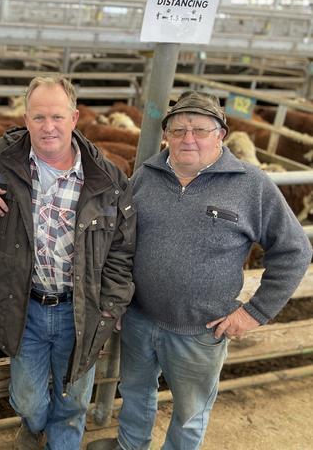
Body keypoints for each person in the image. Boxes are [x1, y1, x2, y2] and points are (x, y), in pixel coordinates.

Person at [111, 90, 312, 450]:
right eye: (179, 129)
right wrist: (118, 297)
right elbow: (121, 241)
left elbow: (295, 249)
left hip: (200, 331)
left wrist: (255, 312)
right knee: (134, 396)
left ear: (220, 134)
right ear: (166, 135)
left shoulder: (251, 184)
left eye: (200, 130)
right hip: (138, 319)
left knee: (189, 413)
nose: (188, 138)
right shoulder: (146, 175)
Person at [0, 76, 136, 449]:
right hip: (26, 304)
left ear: (74, 118)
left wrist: (111, 307)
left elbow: (121, 249)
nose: (48, 127)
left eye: (56, 116)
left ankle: (60, 440)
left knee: (74, 400)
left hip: (81, 309)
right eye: (38, 118)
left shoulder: (106, 177)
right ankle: (33, 426)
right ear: (26, 118)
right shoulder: (5, 154)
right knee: (27, 397)